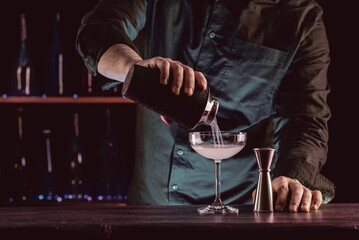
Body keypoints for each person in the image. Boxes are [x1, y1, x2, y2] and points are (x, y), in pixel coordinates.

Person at [76, 0, 335, 212]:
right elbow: (99, 28)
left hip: (238, 211)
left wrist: (290, 178)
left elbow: (305, 119)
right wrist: (134, 68)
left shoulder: (302, 19)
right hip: (150, 206)